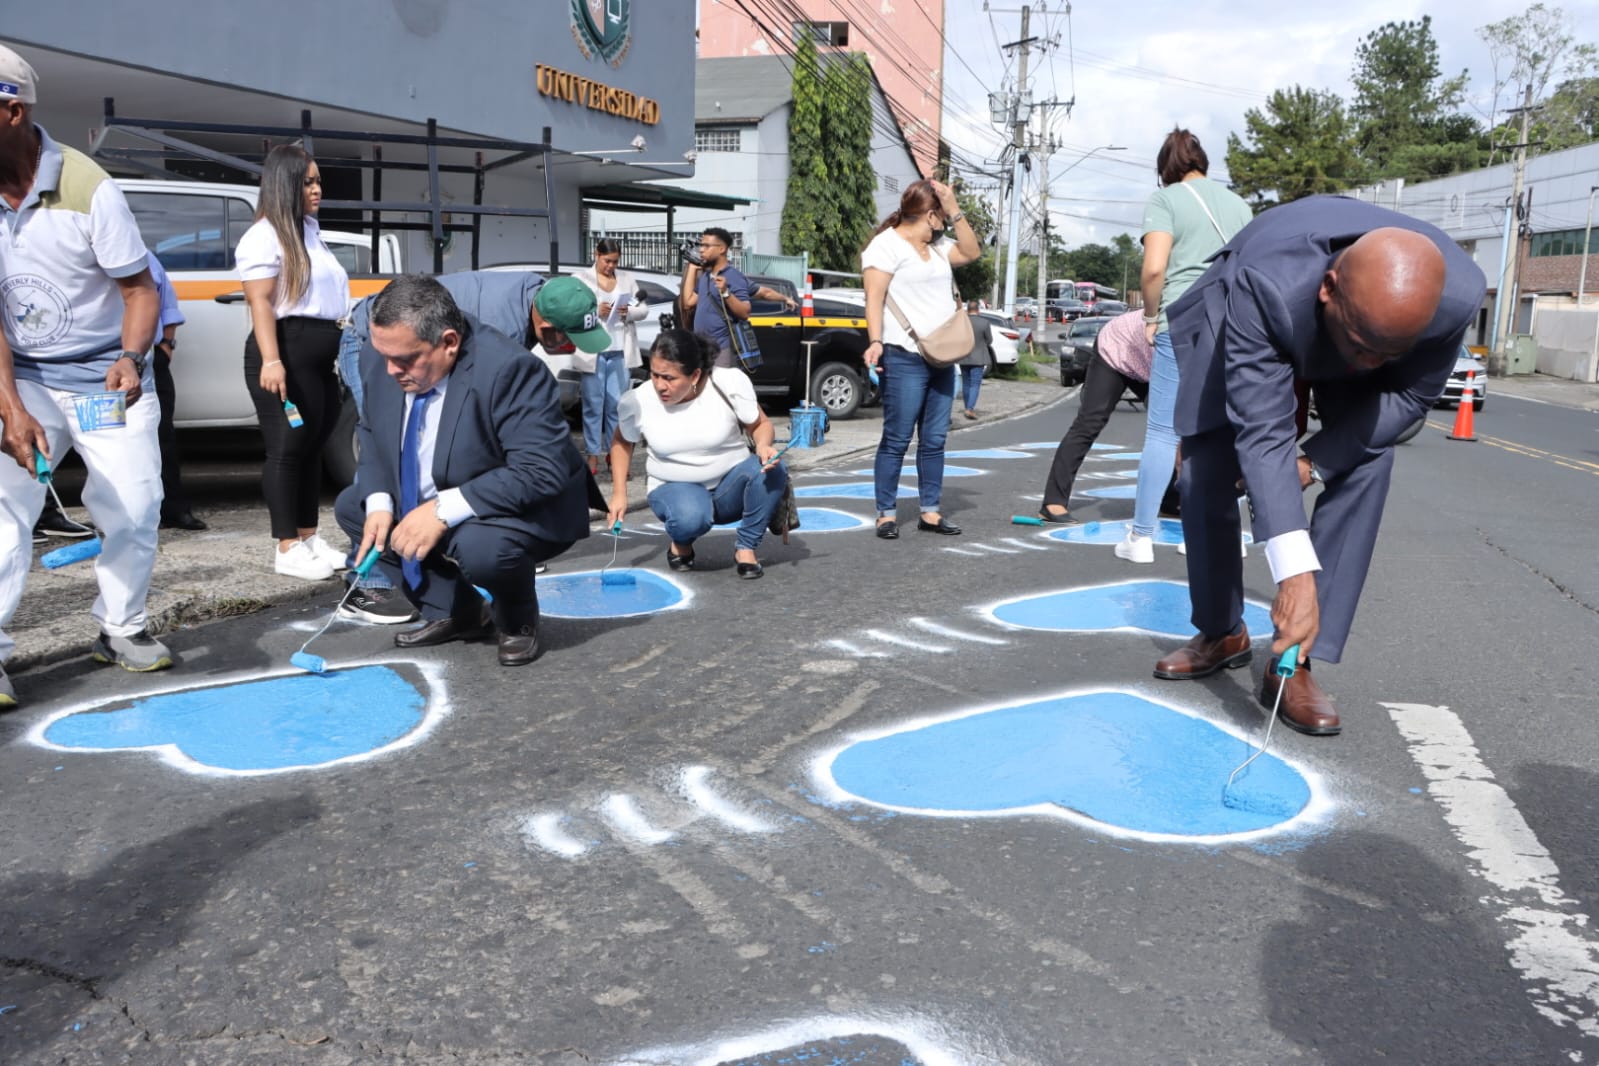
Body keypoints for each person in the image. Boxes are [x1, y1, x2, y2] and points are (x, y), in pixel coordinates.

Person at [1153, 195, 1486, 737]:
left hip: (1358, 320)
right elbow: (1261, 434)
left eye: (1386, 355)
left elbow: (1406, 401)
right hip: (1259, 315)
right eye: (1362, 348)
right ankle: (1221, 631)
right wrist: (1293, 573)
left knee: (1366, 460)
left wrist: (1315, 462)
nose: (1367, 366)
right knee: (1205, 469)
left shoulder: (1456, 298)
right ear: (1329, 288)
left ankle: (1293, 662)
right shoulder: (1265, 285)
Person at [0, 43, 170, 707]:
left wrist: (130, 359)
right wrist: (11, 406)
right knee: (5, 515)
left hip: (105, 378)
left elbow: (140, 290)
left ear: (11, 112)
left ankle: (121, 626)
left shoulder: (87, 186)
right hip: (30, 379)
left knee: (133, 506)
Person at [336, 274, 593, 667]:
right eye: (383, 354)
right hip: (437, 483)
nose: (389, 370)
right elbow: (370, 428)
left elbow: (539, 470)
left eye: (404, 360)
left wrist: (440, 511)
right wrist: (379, 499)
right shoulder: (386, 352)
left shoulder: (510, 370)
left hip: (517, 501)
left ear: (449, 343)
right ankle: (458, 611)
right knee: (355, 508)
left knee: (482, 549)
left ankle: (517, 619)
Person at [1116, 128, 1253, 565]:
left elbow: (1154, 270)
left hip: (1182, 319)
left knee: (1162, 430)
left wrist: (1152, 318)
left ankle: (1140, 538)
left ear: (1165, 169)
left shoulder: (1166, 200)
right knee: (1217, 430)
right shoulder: (1239, 205)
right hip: (1232, 325)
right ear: (1204, 162)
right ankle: (1204, 533)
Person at [236, 144, 349, 581]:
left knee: (312, 446)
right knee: (287, 449)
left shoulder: (309, 231)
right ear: (285, 184)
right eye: (307, 182)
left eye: (318, 180)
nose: (317, 189)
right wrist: (271, 361)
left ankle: (308, 536)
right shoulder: (263, 236)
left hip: (320, 354)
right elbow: (260, 302)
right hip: (285, 350)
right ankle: (285, 546)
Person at [606, 329, 787, 580]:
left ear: (695, 375)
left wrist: (764, 445)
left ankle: (746, 548)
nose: (660, 385)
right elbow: (622, 442)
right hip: (673, 486)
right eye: (655, 374)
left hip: (729, 485)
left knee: (774, 468)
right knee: (692, 517)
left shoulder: (728, 383)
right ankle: (681, 541)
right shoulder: (640, 399)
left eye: (669, 378)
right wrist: (618, 493)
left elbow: (760, 425)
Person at [860, 178, 982, 539]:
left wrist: (955, 207)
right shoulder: (884, 247)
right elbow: (873, 298)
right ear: (930, 216)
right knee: (897, 438)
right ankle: (886, 513)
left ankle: (930, 511)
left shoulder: (940, 245)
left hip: (943, 355)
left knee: (934, 439)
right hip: (905, 355)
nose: (944, 222)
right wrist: (875, 341)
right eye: (942, 216)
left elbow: (973, 252)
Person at [1039, 310, 1152, 523]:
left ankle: (1170, 501)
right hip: (1117, 347)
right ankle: (1053, 502)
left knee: (1176, 428)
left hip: (1148, 363)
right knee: (1090, 422)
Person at [573, 240, 646, 474]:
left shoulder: (626, 279)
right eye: (607, 261)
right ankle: (593, 456)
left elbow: (642, 308)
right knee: (593, 407)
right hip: (593, 352)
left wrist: (628, 312)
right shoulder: (581, 279)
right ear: (596, 255)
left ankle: (615, 455)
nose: (611, 266)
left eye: (615, 261)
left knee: (617, 406)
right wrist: (596, 311)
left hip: (619, 352)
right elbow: (572, 311)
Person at [148, 252, 206, 531]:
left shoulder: (143, 256)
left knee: (163, 436)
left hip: (148, 358)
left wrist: (166, 346)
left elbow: (167, 304)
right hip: (98, 361)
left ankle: (173, 509)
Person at [678, 227, 751, 368]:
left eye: (706, 246)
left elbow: (745, 312)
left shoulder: (733, 276)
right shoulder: (706, 276)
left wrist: (726, 292)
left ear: (722, 249)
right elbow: (688, 302)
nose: (701, 250)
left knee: (720, 388)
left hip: (721, 350)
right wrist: (692, 268)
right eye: (701, 245)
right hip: (702, 348)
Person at [958, 300, 993, 419]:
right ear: (978, 310)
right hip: (978, 358)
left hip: (964, 356)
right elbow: (989, 340)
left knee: (966, 383)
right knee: (975, 384)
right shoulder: (984, 322)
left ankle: (967, 406)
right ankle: (969, 408)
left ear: (967, 310)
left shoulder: (962, 322)